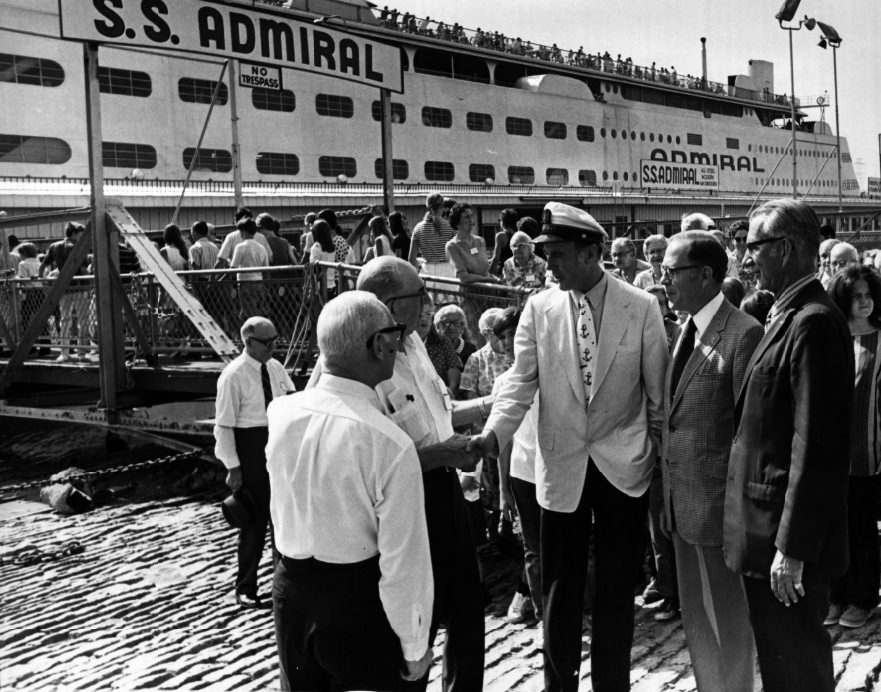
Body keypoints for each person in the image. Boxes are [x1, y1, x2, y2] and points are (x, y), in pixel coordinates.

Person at [472, 202, 668, 692]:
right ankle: (558, 686)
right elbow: (518, 384)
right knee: (559, 589)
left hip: (625, 467)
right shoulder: (539, 310)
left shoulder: (640, 307)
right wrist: (492, 437)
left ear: (592, 252)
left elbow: (658, 398)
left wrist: (664, 475)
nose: (549, 266)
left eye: (557, 255)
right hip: (560, 468)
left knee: (617, 590)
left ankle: (611, 686)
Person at [267, 292, 433, 690]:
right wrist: (414, 646)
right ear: (379, 345)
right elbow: (404, 563)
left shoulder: (282, 413)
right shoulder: (389, 443)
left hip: (291, 591)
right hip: (357, 603)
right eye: (393, 337)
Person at [723, 198, 853, 692]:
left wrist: (792, 548)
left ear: (787, 248)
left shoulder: (813, 321)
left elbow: (815, 446)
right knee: (781, 665)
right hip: (765, 532)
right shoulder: (789, 313)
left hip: (786, 541)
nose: (745, 257)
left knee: (796, 669)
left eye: (752, 246)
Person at [349, 256, 491, 692]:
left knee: (467, 610)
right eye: (420, 296)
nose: (428, 303)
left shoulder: (414, 346)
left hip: (445, 487)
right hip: (408, 500)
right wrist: (439, 455)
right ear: (390, 304)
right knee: (416, 618)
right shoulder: (358, 361)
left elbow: (441, 415)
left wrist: (493, 405)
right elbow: (371, 461)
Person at [659, 231, 763, 692]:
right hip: (682, 507)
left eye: (671, 271)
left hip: (719, 512)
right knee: (698, 618)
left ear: (705, 275)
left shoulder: (742, 334)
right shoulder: (685, 329)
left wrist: (737, 516)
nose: (664, 281)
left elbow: (749, 435)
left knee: (730, 620)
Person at [214, 316, 295, 609]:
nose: (273, 347)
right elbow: (223, 426)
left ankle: (280, 585)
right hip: (250, 449)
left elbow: (292, 400)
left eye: (276, 340)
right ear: (247, 342)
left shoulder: (276, 369)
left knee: (283, 520)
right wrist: (233, 468)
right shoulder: (233, 376)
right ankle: (245, 586)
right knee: (253, 523)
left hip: (278, 445)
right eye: (266, 342)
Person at [826, 266, 881, 629]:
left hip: (869, 453)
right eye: (855, 296)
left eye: (868, 294)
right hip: (829, 455)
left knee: (862, 530)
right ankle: (836, 596)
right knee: (833, 531)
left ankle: (862, 599)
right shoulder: (831, 338)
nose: (863, 302)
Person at [39, 221, 89, 362]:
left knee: (64, 320)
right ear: (74, 233)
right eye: (80, 233)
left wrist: (43, 282)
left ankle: (64, 353)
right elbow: (84, 270)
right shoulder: (79, 247)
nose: (81, 236)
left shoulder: (54, 246)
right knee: (83, 321)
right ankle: (81, 353)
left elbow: (42, 267)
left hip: (63, 288)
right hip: (79, 287)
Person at [408, 192, 456, 280]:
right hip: (447, 272)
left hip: (426, 272)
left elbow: (411, 259)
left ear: (427, 207)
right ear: (442, 206)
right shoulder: (450, 227)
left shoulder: (418, 228)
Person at [231, 217, 270, 320]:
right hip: (259, 282)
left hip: (244, 283)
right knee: (258, 310)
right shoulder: (261, 248)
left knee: (247, 311)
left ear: (243, 231)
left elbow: (233, 267)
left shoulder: (240, 247)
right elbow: (266, 269)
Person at [307, 219, 339, 297]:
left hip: (320, 288)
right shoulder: (332, 247)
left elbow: (313, 269)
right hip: (332, 285)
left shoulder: (316, 247)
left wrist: (311, 290)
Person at [489, 207, 518, 276]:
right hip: (515, 271)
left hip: (503, 271)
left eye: (500, 220)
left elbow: (496, 258)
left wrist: (489, 274)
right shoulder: (518, 235)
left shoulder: (500, 236)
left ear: (503, 221)